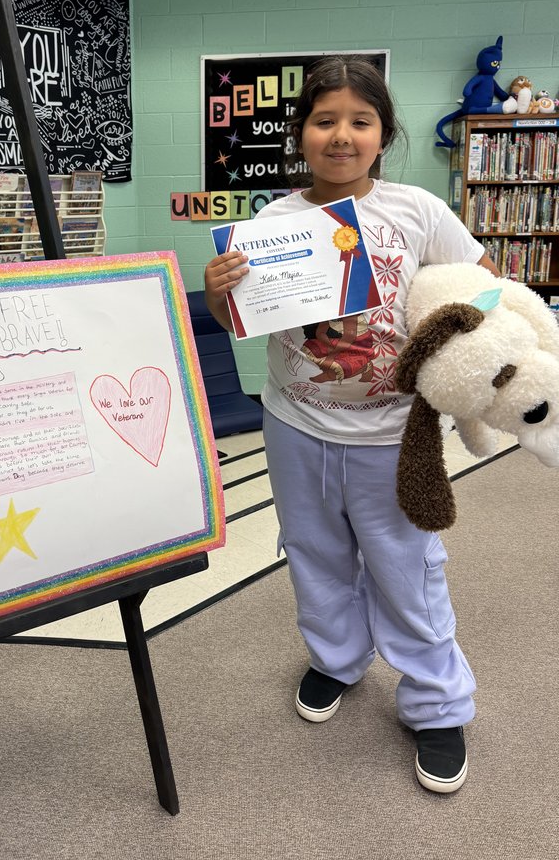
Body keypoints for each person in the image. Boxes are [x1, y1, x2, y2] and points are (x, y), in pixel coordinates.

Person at [204, 56, 500, 795]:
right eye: (325, 120)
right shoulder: (270, 222)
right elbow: (237, 322)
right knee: (313, 551)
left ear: (383, 133)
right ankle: (336, 657)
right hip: (296, 423)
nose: (342, 135)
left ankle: (436, 701)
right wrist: (217, 295)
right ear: (300, 133)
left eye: (360, 121)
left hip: (394, 431)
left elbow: (482, 289)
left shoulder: (416, 210)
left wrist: (453, 354)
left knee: (408, 564)